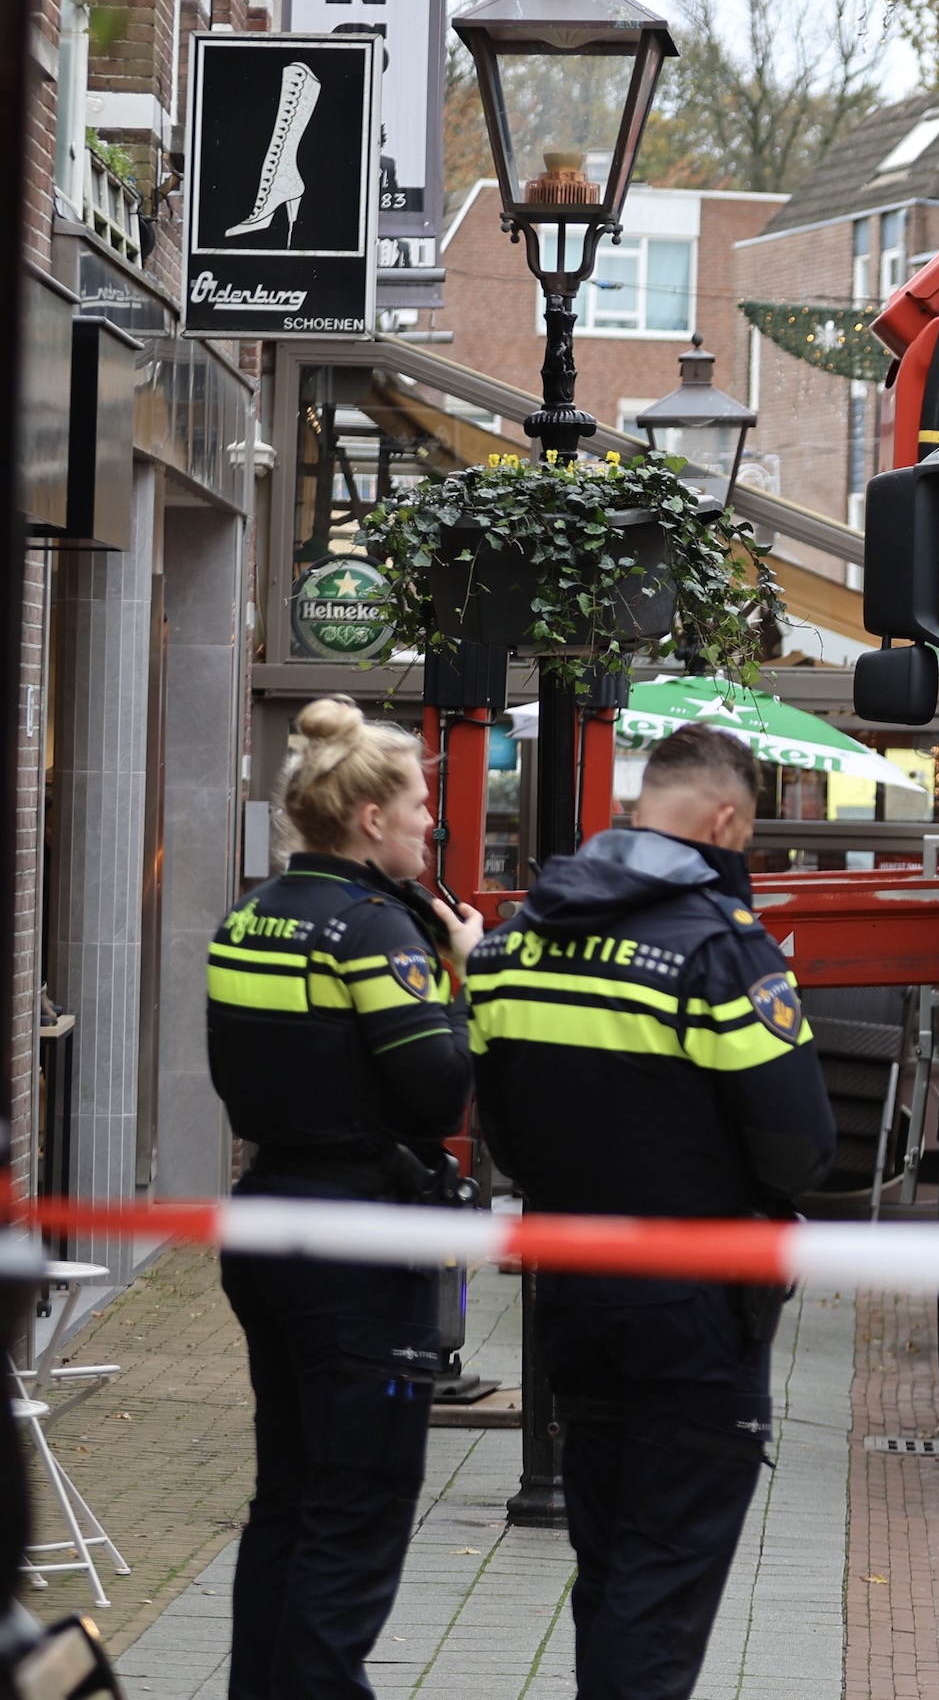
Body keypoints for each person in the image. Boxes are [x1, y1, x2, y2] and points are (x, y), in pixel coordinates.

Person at [470, 724, 835, 1696]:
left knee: (611, 1562)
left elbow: (500, 1132)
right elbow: (799, 1147)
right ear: (724, 819)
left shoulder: (514, 945)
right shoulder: (723, 952)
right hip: (697, 1311)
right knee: (663, 1575)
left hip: (573, 1300)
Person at [205, 695, 484, 1697]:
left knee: (288, 1491)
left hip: (268, 1214)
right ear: (370, 818)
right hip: (357, 1246)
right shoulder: (374, 933)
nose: (430, 823)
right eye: (419, 805)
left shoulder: (250, 915)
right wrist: (462, 972)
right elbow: (437, 1087)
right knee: (357, 1500)